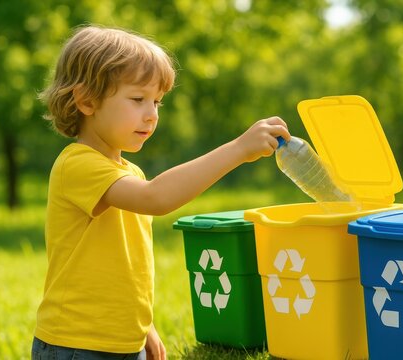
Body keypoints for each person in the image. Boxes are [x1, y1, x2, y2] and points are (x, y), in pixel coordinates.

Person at [32, 25, 290, 360]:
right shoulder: (76, 165)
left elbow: (123, 267)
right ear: (86, 100)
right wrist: (238, 149)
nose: (151, 114)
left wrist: (144, 327)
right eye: (138, 99)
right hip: (76, 345)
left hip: (123, 342)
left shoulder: (130, 174)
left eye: (157, 102)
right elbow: (157, 198)